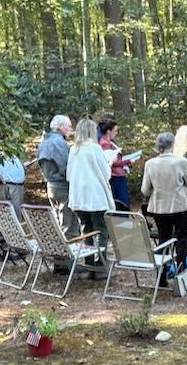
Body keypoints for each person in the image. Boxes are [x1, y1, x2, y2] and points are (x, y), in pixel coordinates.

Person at [142, 132, 187, 286]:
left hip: (159, 208)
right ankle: (182, 277)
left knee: (163, 240)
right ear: (172, 144)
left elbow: (145, 190)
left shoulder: (150, 164)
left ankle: (161, 276)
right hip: (179, 206)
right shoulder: (181, 162)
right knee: (181, 240)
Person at [66, 119, 114, 278]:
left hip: (78, 197)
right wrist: (109, 162)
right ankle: (100, 265)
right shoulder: (95, 148)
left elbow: (68, 175)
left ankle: (89, 263)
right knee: (101, 230)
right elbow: (106, 174)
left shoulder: (73, 149)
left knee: (86, 230)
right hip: (95, 197)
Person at [37, 115, 80, 240]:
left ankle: (59, 248)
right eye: (69, 126)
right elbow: (66, 168)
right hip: (62, 186)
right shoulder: (59, 143)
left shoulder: (44, 142)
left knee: (58, 222)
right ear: (60, 127)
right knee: (69, 225)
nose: (71, 129)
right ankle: (68, 251)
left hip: (50, 186)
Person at [99, 119, 133, 208]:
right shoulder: (105, 144)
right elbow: (111, 161)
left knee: (124, 200)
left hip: (118, 174)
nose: (116, 133)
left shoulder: (110, 142)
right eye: (115, 130)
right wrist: (127, 161)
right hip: (115, 176)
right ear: (108, 131)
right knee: (121, 201)